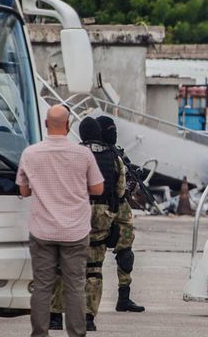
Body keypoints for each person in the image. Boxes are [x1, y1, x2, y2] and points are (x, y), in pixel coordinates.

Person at [16, 105, 104, 337]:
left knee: (42, 286)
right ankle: (76, 333)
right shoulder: (83, 154)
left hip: (42, 230)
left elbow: (23, 191)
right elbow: (97, 188)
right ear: (68, 125)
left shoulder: (30, 153)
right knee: (75, 286)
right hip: (75, 231)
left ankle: (40, 333)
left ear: (46, 124)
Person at [50, 117, 125, 332]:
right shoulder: (114, 158)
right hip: (102, 216)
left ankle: (55, 316)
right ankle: (88, 317)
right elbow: (119, 192)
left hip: (75, 214)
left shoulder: (71, 155)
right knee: (94, 270)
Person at [95, 115, 146, 313]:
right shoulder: (91, 154)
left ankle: (124, 297)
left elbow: (125, 183)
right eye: (110, 129)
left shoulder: (118, 154)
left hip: (121, 206)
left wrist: (132, 180)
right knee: (93, 255)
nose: (113, 132)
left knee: (126, 253)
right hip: (100, 207)